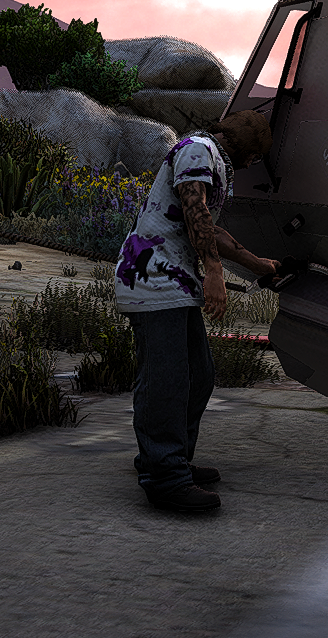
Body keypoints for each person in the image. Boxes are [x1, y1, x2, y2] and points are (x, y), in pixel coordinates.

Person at [114, 110, 279, 511]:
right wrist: (215, 272)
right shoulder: (197, 150)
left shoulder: (209, 158)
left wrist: (260, 265)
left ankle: (173, 458)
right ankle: (164, 476)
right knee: (165, 380)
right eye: (256, 154)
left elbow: (212, 227)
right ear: (244, 145)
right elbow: (195, 212)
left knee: (198, 375)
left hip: (173, 282)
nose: (254, 163)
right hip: (152, 279)